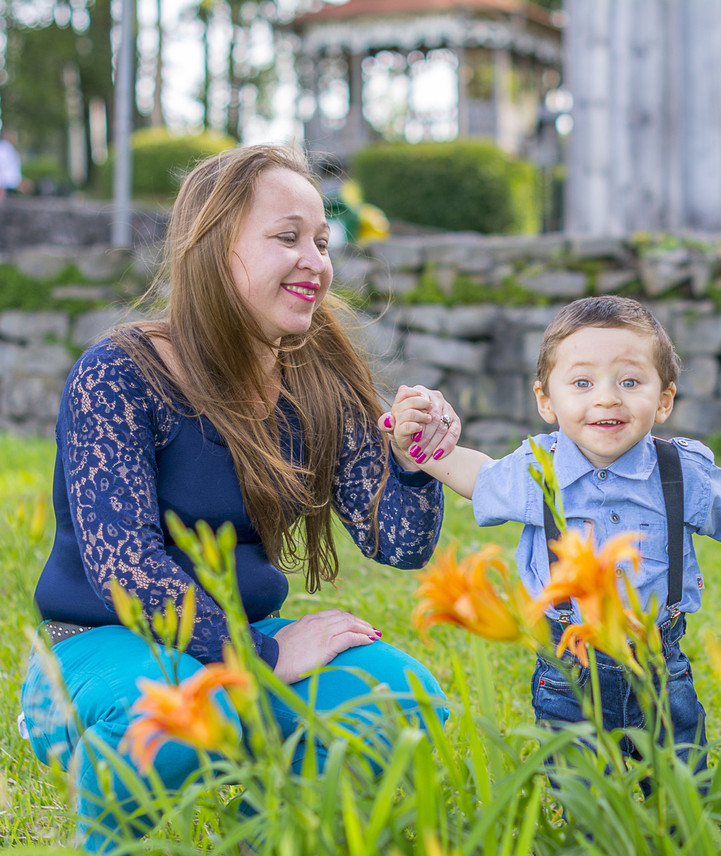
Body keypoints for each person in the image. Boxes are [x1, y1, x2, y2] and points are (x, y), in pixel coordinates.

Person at [18, 145, 461, 852]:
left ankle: (268, 839)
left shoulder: (316, 376)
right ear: (214, 248)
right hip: (107, 643)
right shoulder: (120, 374)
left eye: (322, 240)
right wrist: (255, 655)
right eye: (287, 237)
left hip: (237, 643)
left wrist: (412, 464)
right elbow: (127, 570)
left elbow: (397, 543)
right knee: (194, 714)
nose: (315, 259)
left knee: (407, 703)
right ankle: (69, 744)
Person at [384, 295, 721, 773]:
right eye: (582, 382)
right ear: (546, 400)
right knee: (578, 787)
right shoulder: (536, 471)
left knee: (682, 778)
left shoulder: (682, 470)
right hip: (569, 670)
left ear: (664, 399)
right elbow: (478, 475)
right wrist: (416, 444)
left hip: (660, 664)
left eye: (629, 381)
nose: (607, 397)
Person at [0, 127, 24, 197]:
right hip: (5, 185)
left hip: (8, 185)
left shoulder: (9, 149)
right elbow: (3, 168)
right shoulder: (4, 149)